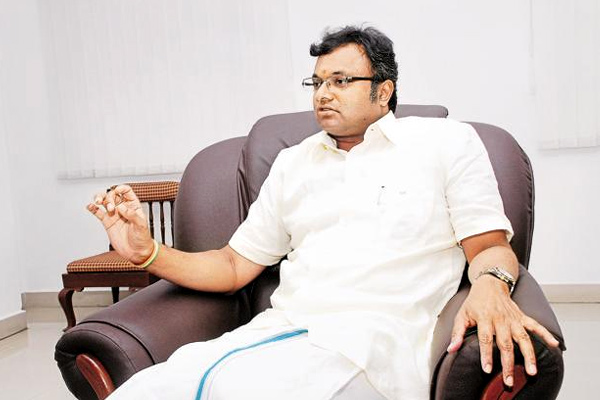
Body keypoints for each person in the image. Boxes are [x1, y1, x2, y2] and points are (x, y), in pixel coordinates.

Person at [88, 26, 559, 400]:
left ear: (383, 91)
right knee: (147, 391)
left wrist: (492, 286)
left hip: (373, 345)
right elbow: (232, 265)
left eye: (341, 81)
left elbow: (489, 246)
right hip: (279, 331)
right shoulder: (293, 163)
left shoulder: (445, 142)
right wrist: (148, 253)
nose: (322, 94)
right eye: (317, 82)